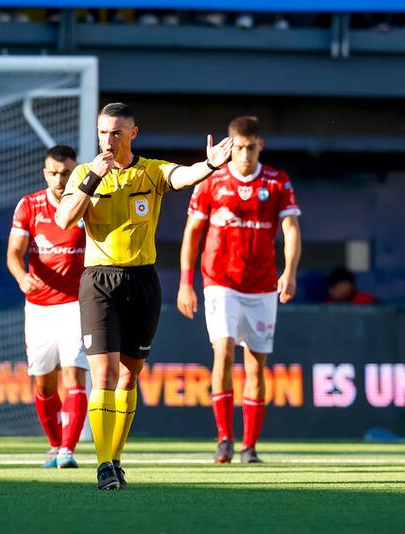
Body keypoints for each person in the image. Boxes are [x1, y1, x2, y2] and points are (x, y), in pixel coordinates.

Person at [55, 102, 233, 490]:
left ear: (133, 134)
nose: (109, 139)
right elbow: (65, 219)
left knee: (130, 377)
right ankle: (103, 465)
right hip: (99, 280)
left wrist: (211, 166)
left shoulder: (150, 171)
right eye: (103, 132)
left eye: (117, 132)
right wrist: (91, 182)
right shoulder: (86, 173)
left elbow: (183, 177)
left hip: (142, 282)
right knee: (102, 373)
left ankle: (115, 458)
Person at [177, 116, 302, 464]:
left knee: (256, 365)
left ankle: (250, 446)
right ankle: (224, 439)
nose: (245, 155)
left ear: (260, 144)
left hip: (262, 285)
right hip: (220, 281)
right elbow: (191, 234)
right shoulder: (212, 181)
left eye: (251, 147)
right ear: (230, 146)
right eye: (239, 148)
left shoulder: (277, 182)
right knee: (223, 352)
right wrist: (186, 283)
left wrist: (290, 271)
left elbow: (290, 230)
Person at [7, 145, 89, 469]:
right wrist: (22, 277)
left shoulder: (86, 204)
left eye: (66, 173)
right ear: (44, 173)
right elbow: (14, 253)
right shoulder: (29, 205)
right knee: (44, 383)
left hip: (76, 305)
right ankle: (55, 445)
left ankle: (69, 450)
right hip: (38, 306)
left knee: (74, 375)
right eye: (53, 173)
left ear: (75, 172)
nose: (59, 179)